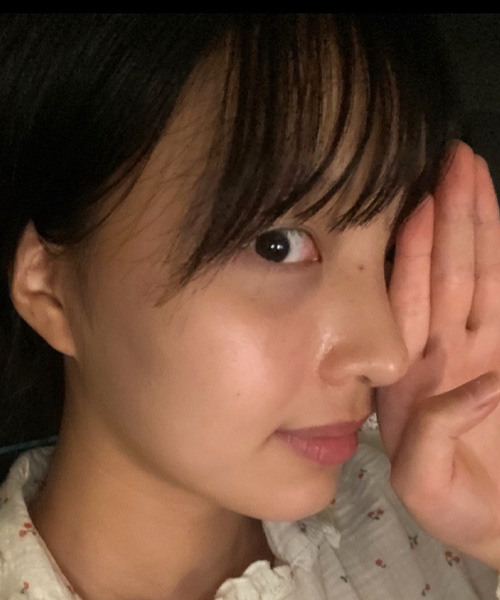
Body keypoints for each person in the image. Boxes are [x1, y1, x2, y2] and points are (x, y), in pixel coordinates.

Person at [0, 14, 499, 600]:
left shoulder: (438, 512)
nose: (385, 356)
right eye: (277, 245)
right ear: (49, 288)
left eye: (391, 252)